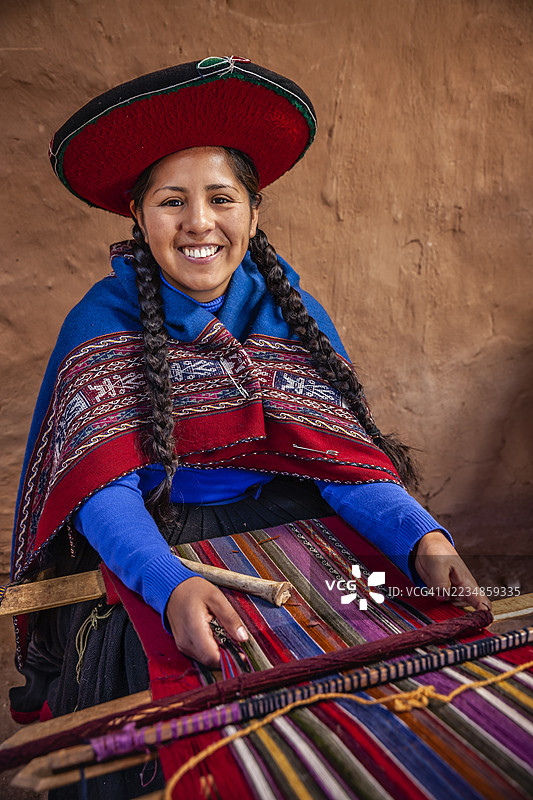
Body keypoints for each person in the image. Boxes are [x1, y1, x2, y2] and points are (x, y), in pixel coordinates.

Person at [10, 56, 489, 728]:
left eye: (221, 198)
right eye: (172, 201)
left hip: (296, 528)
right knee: (190, 710)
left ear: (254, 213)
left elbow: (341, 466)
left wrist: (422, 539)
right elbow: (100, 490)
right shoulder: (99, 325)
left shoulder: (290, 315)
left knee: (379, 699)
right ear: (138, 215)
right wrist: (170, 584)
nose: (199, 223)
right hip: (157, 541)